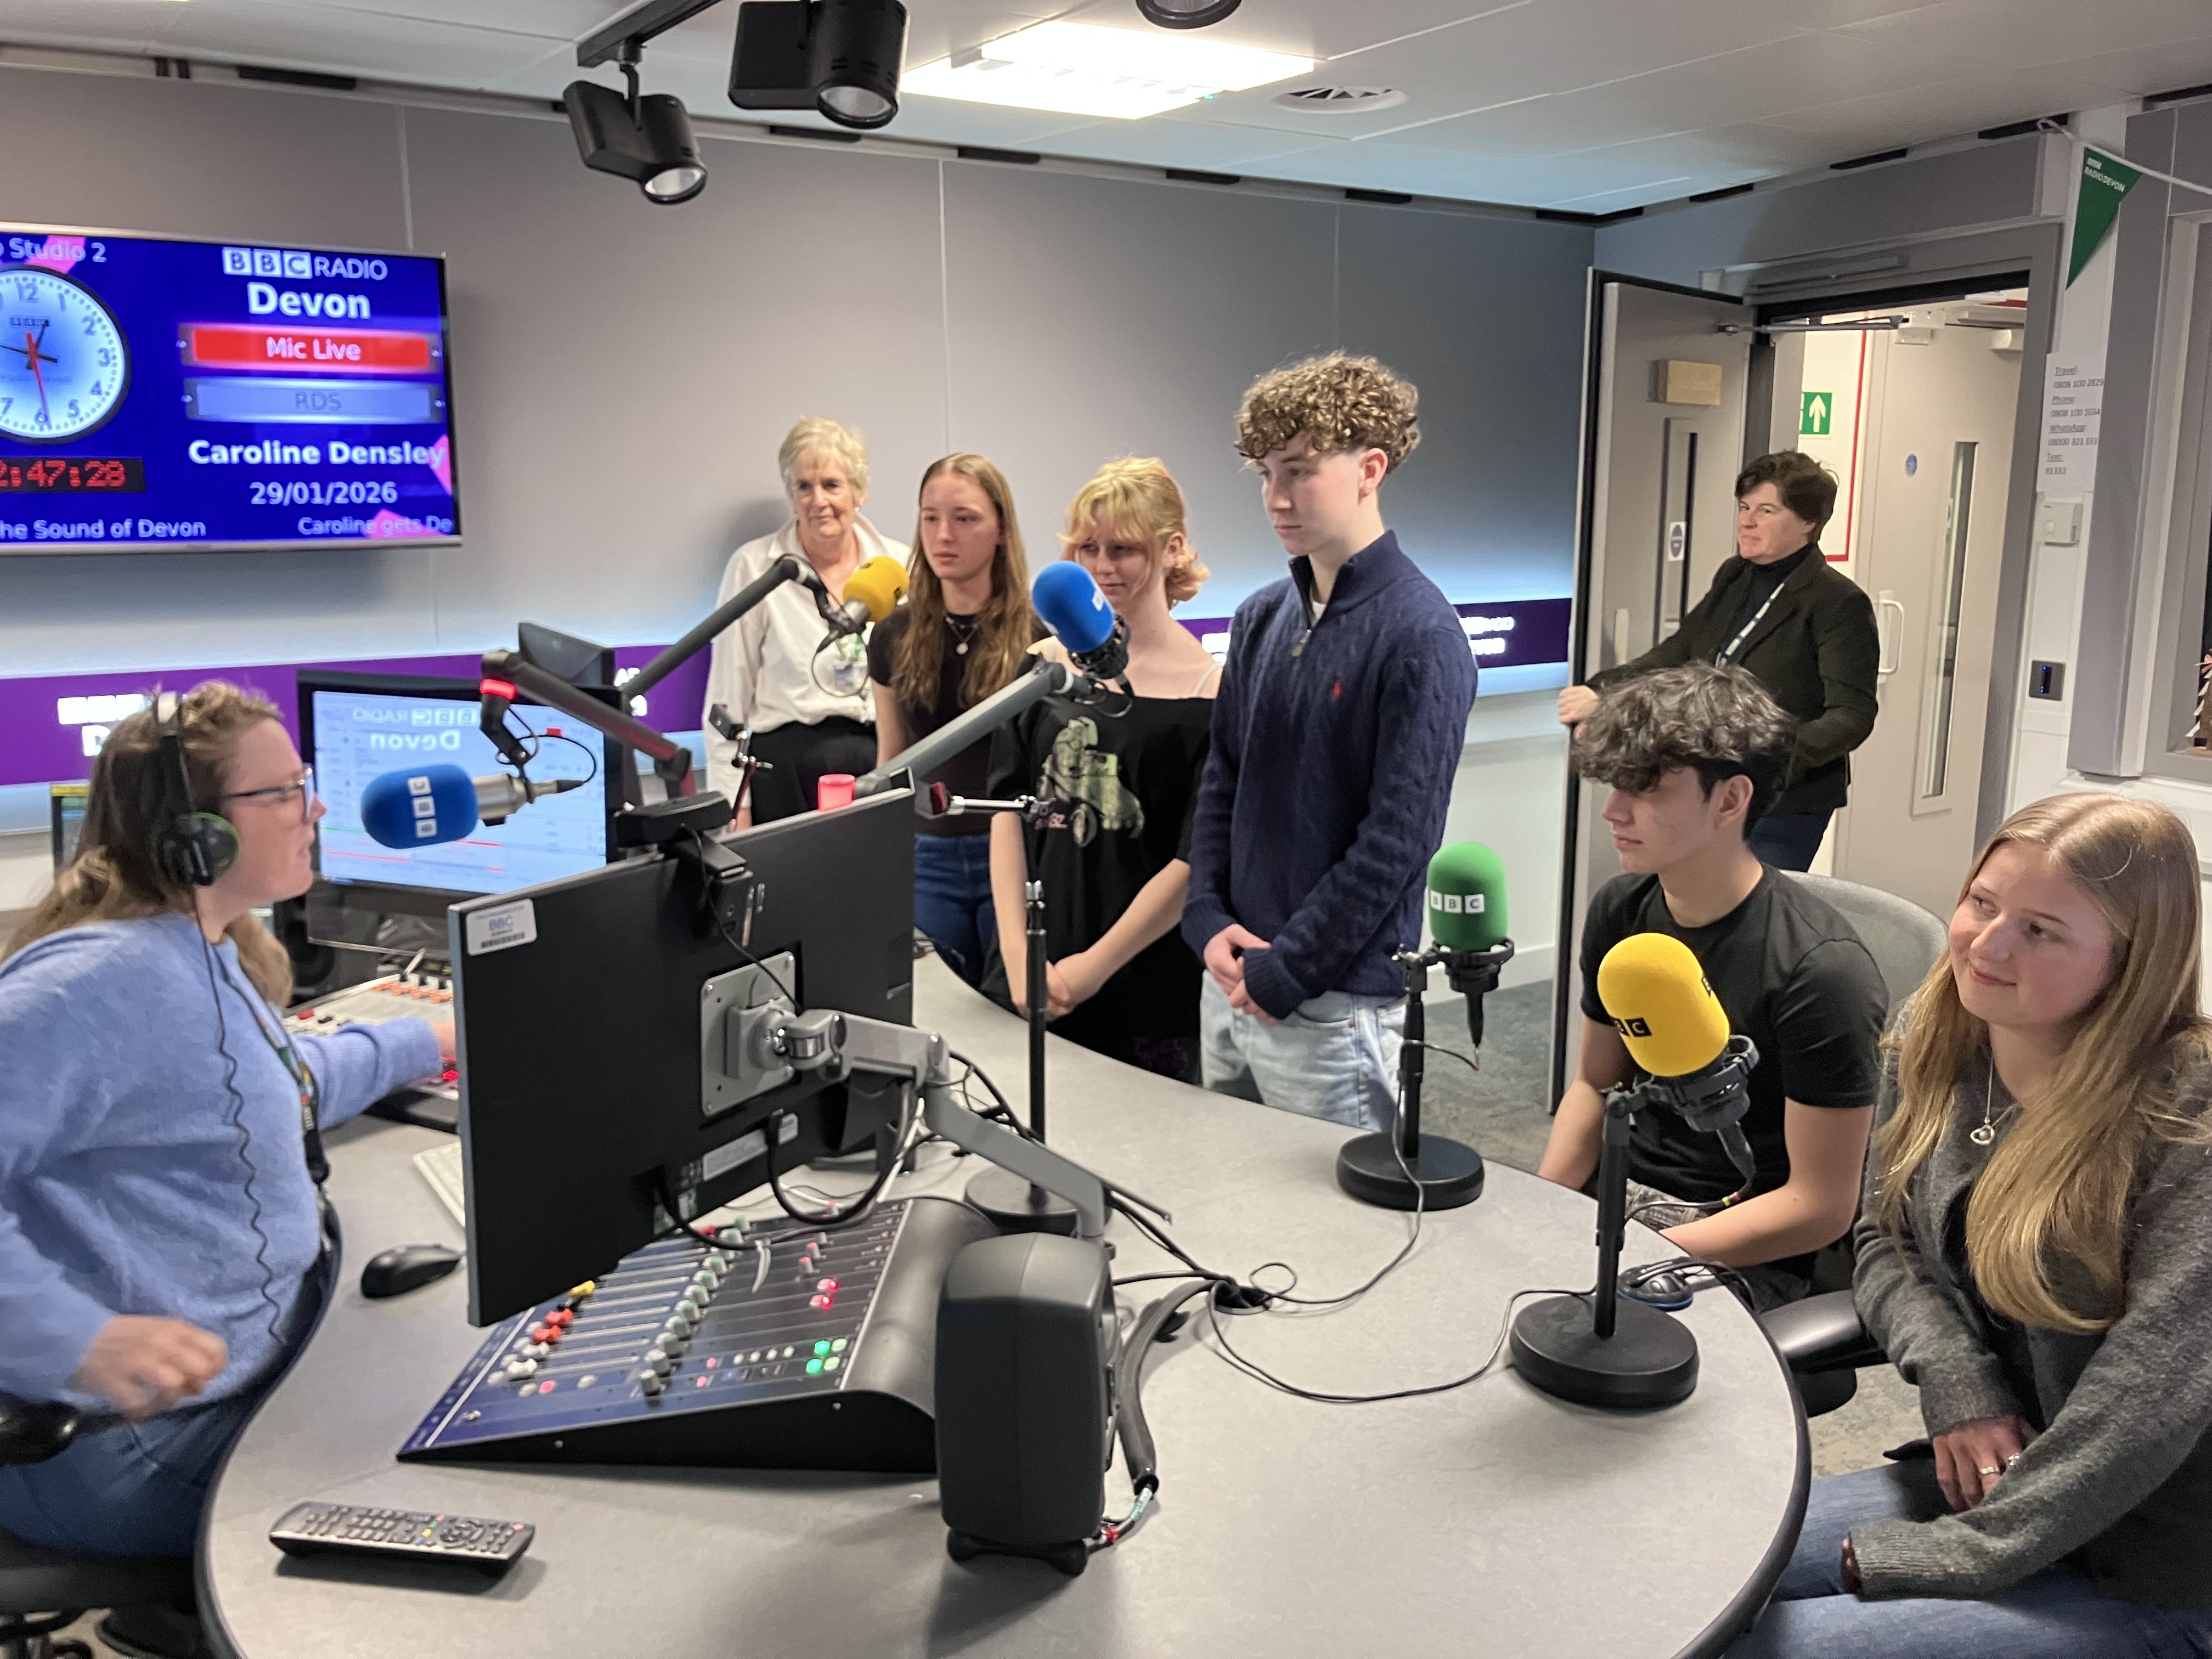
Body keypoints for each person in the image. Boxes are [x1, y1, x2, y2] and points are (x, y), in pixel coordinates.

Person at [0, 686, 449, 1632]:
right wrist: (70, 1336)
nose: (311, 808)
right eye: (280, 791)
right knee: (431, 1502)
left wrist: (429, 1036)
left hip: (217, 1392)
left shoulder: (203, 951)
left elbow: (276, 1085)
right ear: (196, 835)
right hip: (120, 1444)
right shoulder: (97, 982)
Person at [1732, 792, 2212, 1659]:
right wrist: (1960, 1380)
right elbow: (1885, 1237)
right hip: (2009, 1479)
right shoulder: (1942, 1032)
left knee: (1769, 1647)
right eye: (1982, 903)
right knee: (1701, 1574)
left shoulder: (2188, 1115)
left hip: (2156, 1557)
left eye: (2041, 931)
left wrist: (1964, 1554)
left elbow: (2150, 1397)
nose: (1987, 945)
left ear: (2130, 963)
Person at [1182, 353, 1477, 1128]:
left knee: (1332, 1212)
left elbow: (1399, 840)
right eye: (1266, 473)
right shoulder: (1259, 617)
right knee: (1220, 1196)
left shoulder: (1422, 635)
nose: (1277, 498)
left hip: (1335, 1006)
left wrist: (1292, 969)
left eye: (1300, 471)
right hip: (1230, 980)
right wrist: (1205, 916)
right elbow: (1223, 779)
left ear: (1370, 470)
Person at [1536, 664, 1885, 1311]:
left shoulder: (1822, 971)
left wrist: (1638, 1256)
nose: (1613, 811)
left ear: (1729, 801)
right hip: (1617, 1205)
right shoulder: (1621, 909)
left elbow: (1820, 1205)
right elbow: (1595, 1086)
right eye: (1615, 785)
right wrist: (1539, 1211)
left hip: (1739, 1239)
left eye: (1646, 790)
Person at [984, 458, 1220, 1079]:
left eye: (1124, 549)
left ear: (1172, 550)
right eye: (1088, 549)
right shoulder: (1043, 666)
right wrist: (1016, 952)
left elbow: (1195, 858)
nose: (1103, 566)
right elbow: (1007, 811)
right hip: (1031, 964)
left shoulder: (1210, 693)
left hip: (1143, 985)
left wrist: (1093, 969)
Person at [1558, 450, 1878, 872]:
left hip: (1785, 803)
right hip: (1710, 784)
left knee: (1748, 907)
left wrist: (1766, 758)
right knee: (1694, 898)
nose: (1747, 522)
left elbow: (1851, 717)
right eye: (1744, 507)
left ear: (1809, 522)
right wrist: (1603, 692)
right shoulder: (1735, 576)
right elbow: (1677, 654)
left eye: (1766, 511)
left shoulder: (1838, 601)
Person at [866, 454, 1040, 985]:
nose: (944, 535)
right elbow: (891, 757)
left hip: (1015, 855)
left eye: (965, 518)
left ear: (1001, 530)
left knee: (1010, 1005)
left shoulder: (1039, 638)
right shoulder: (892, 635)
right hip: (928, 856)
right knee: (937, 1006)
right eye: (931, 518)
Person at [703, 416, 904, 824]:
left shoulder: (901, 566)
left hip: (882, 762)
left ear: (860, 492)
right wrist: (734, 812)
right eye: (804, 487)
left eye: (832, 485)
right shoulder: (756, 569)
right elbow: (727, 702)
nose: (818, 500)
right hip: (786, 776)